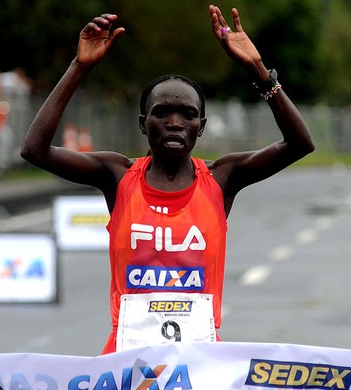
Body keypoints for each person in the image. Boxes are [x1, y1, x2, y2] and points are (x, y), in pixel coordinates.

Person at [21, 5, 315, 354]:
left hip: (200, 358)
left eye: (188, 115)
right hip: (126, 357)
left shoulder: (222, 178)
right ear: (144, 124)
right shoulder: (117, 175)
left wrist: (259, 71)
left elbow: (300, 144)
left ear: (201, 128)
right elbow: (35, 150)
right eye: (162, 113)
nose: (175, 123)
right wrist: (79, 66)